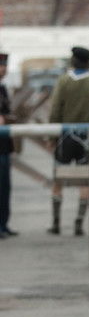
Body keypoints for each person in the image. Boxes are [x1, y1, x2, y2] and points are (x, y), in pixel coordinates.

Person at [48, 46, 89, 236]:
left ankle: (56, 222)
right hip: (86, 140)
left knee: (58, 179)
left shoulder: (63, 81)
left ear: (73, 61)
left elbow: (55, 110)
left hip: (64, 138)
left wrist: (51, 137)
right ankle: (79, 223)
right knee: (85, 182)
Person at [0, 53, 17, 239]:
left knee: (5, 187)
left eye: (5, 65)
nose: (3, 69)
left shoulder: (3, 88)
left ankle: (3, 224)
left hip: (4, 144)